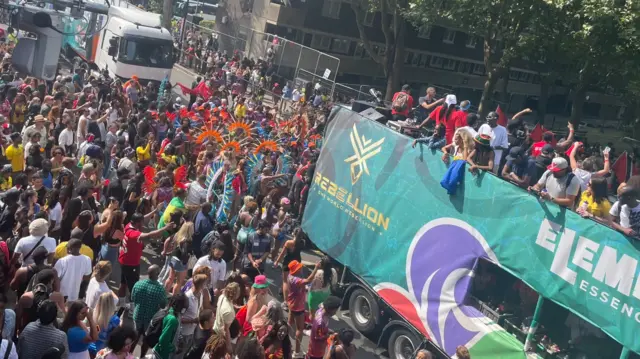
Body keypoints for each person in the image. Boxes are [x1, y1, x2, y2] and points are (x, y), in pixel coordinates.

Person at [119, 213, 173, 301]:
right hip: (131, 264)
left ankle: (121, 302)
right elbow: (150, 234)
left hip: (124, 260)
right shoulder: (134, 234)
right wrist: (165, 228)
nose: (144, 222)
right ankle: (132, 306)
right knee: (134, 286)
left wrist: (155, 211)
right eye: (142, 222)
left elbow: (143, 217)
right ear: (138, 223)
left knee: (123, 282)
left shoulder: (129, 225)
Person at [130, 265, 167, 357]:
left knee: (134, 338)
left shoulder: (138, 284)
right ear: (158, 274)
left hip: (138, 315)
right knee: (146, 340)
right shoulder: (160, 290)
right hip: (150, 319)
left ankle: (128, 355)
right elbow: (163, 305)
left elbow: (132, 298)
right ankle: (142, 356)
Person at [288, 260, 320, 357]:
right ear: (296, 270)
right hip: (298, 307)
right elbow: (308, 281)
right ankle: (297, 352)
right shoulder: (296, 279)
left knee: (290, 324)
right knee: (299, 329)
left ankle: (287, 343)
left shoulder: (290, 277)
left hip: (291, 304)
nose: (301, 268)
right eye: (299, 267)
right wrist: (316, 268)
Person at [176, 274, 207, 359]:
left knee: (184, 354)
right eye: (204, 283)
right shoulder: (187, 297)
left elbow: (199, 309)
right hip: (183, 333)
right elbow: (178, 318)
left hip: (192, 332)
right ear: (200, 285)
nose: (206, 285)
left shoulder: (200, 294)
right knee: (178, 355)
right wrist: (193, 321)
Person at [153, 292, 190, 359]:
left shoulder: (175, 314)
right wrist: (175, 348)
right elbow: (163, 341)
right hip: (161, 354)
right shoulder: (172, 320)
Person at [165, 222, 194, 295]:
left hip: (173, 258)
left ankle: (164, 294)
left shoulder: (177, 235)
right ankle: (174, 299)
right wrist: (185, 263)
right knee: (179, 282)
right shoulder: (187, 241)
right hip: (181, 262)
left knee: (170, 278)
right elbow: (184, 254)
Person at [88, 292, 120, 356]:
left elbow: (97, 330)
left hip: (91, 346)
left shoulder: (94, 315)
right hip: (103, 350)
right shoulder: (115, 320)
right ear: (111, 304)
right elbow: (115, 336)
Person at [213, 282, 241, 348]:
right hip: (221, 335)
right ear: (235, 294)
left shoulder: (222, 296)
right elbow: (226, 330)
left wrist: (234, 306)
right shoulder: (229, 311)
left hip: (216, 327)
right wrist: (229, 346)